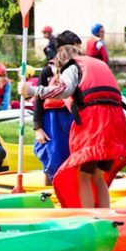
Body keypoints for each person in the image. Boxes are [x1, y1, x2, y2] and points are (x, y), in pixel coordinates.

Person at [19, 41, 126, 208]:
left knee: (84, 176)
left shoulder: (72, 66)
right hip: (116, 123)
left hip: (96, 123)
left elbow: (64, 89)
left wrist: (33, 90)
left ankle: (88, 218)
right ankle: (105, 214)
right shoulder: (99, 64)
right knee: (98, 176)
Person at [32, 30, 81, 185]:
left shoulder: (78, 71)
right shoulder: (48, 71)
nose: (79, 54)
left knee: (70, 154)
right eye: (76, 49)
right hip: (52, 120)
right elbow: (38, 100)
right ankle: (49, 190)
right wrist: (38, 127)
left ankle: (71, 186)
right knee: (51, 153)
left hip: (71, 118)